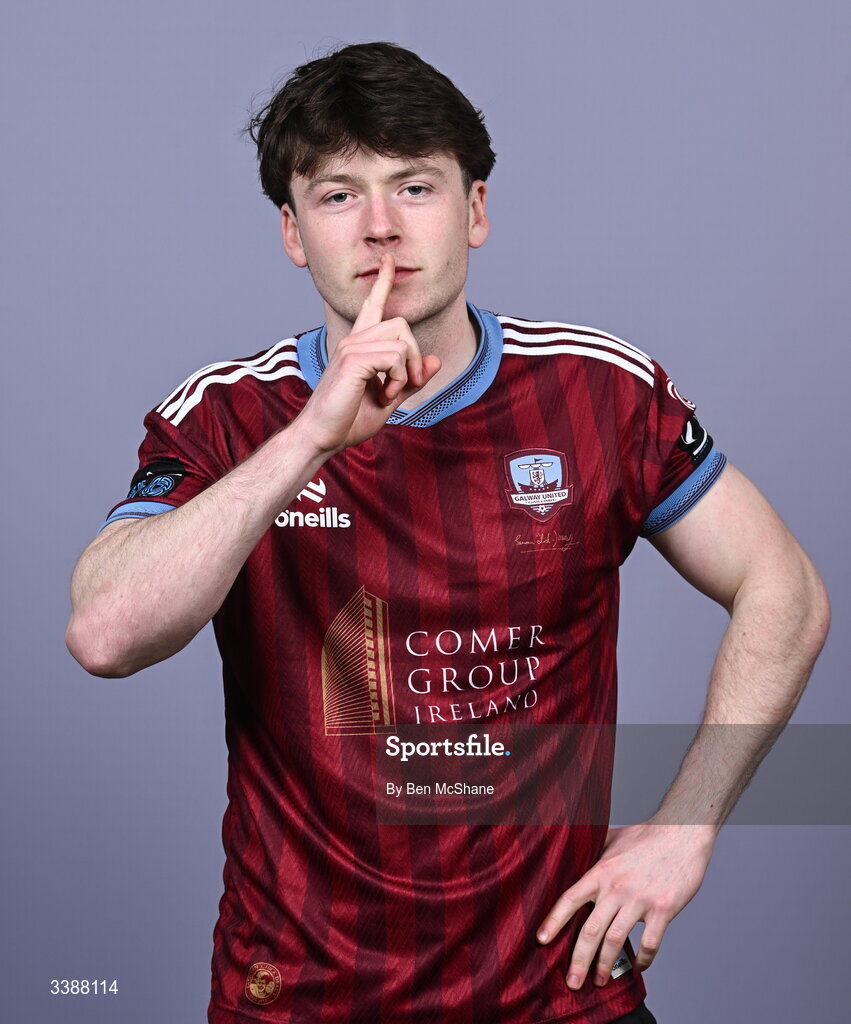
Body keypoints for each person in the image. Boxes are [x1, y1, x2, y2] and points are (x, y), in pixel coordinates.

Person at [65, 41, 830, 1024]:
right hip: (297, 996)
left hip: (558, 996)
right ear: (293, 233)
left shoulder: (597, 391)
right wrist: (312, 437)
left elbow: (788, 591)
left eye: (414, 186)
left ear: (474, 210)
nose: (381, 228)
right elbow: (105, 634)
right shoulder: (229, 415)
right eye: (338, 195)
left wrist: (685, 827)